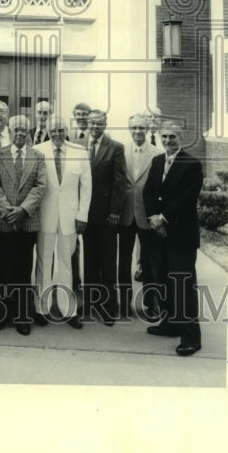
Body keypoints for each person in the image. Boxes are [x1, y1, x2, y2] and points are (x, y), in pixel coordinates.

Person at [142, 125, 204, 356]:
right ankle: (170, 324)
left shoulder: (192, 164)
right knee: (162, 281)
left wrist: (163, 218)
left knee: (183, 286)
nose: (168, 140)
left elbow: (187, 198)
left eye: (172, 137)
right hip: (158, 234)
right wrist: (152, 218)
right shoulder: (158, 161)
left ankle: (191, 338)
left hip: (181, 236)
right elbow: (148, 192)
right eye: (164, 136)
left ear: (182, 138)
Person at [0, 115, 47, 335]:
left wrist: (22, 210)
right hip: (3, 222)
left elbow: (40, 186)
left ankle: (22, 316)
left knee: (23, 270)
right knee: (2, 269)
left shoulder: (38, 156)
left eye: (23, 131)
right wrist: (6, 210)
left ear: (28, 133)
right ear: (10, 132)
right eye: (16, 130)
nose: (20, 134)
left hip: (27, 222)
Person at [34, 116, 91, 329]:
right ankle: (41, 308)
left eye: (60, 130)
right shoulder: (38, 150)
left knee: (67, 263)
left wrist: (82, 216)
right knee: (43, 262)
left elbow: (86, 188)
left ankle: (69, 310)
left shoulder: (79, 152)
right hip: (45, 216)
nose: (56, 134)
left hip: (70, 217)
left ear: (66, 130)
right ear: (47, 131)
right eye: (53, 130)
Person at [82, 109, 126, 325]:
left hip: (107, 215)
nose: (95, 127)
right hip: (84, 214)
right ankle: (90, 305)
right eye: (92, 123)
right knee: (89, 261)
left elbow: (120, 182)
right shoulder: (79, 145)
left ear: (105, 124)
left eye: (99, 123)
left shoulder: (115, 147)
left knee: (108, 263)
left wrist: (115, 212)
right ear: (87, 124)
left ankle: (108, 309)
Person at [118, 113, 162, 317]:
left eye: (141, 128)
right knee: (124, 260)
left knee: (149, 260)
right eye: (134, 127)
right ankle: (124, 303)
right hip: (125, 214)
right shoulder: (121, 150)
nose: (137, 131)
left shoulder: (157, 153)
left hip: (147, 214)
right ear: (129, 128)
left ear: (147, 129)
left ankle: (151, 303)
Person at [69, 101, 92, 293]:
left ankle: (93, 285)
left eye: (85, 114)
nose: (82, 117)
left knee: (92, 244)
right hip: (72, 198)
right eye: (78, 114)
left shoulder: (101, 136)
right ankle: (74, 280)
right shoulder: (68, 136)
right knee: (72, 243)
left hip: (94, 199)